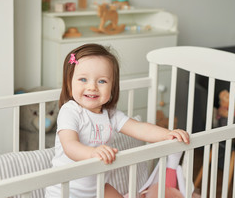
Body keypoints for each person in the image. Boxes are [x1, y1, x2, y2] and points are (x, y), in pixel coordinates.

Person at [45, 43, 190, 198]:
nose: (92, 87)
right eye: (83, 79)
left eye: (102, 81)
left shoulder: (110, 114)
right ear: (69, 83)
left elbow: (140, 128)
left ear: (112, 87)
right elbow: (70, 146)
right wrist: (93, 153)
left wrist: (167, 134)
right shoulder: (71, 111)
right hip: (66, 191)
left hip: (98, 188)